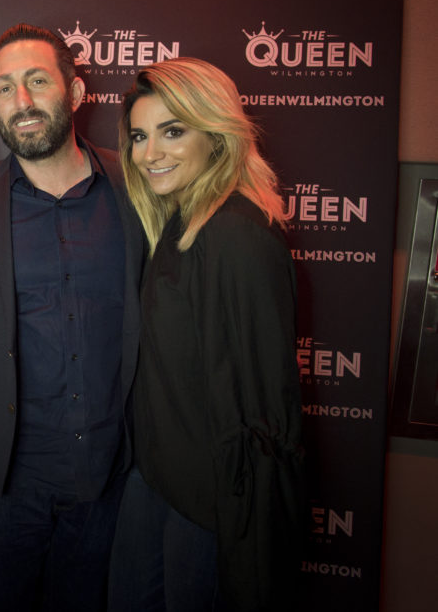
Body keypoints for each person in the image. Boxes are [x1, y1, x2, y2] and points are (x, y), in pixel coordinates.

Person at [0, 24, 145, 611]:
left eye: (36, 81)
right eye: (4, 88)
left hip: (113, 468)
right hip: (11, 473)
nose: (21, 102)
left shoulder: (135, 190)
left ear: (75, 92)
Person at [107, 57, 304, 611]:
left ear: (216, 136)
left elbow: (269, 413)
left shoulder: (238, 236)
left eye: (173, 132)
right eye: (141, 137)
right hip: (157, 480)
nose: (150, 154)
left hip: (214, 505)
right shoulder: (178, 225)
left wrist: (244, 532)